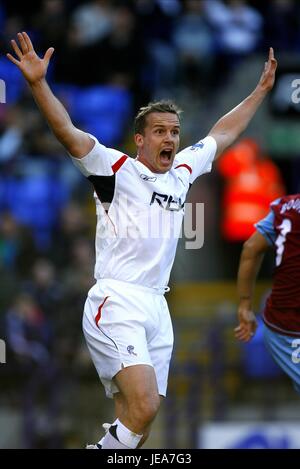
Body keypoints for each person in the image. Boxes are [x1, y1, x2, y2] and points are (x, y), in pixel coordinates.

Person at [7, 31, 277, 449]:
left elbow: (222, 134)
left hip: (157, 304)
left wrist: (260, 91)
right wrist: (39, 83)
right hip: (117, 300)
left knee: (138, 420)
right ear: (140, 140)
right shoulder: (116, 170)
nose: (170, 139)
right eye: (160, 132)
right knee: (145, 405)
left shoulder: (183, 172)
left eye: (174, 132)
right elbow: (67, 132)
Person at [235, 194, 300, 394]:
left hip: (280, 324)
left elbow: (251, 247)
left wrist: (245, 305)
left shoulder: (286, 206)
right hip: (290, 326)